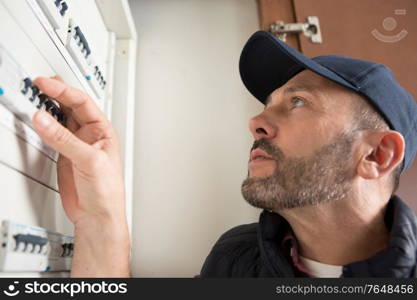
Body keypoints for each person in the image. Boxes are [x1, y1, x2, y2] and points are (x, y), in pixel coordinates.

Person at [31, 31, 417, 278]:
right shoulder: (235, 259)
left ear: (376, 155)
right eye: (268, 104)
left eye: (298, 102)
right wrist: (102, 217)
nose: (256, 121)